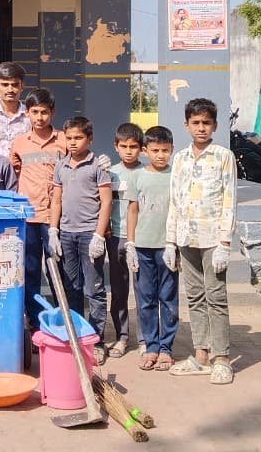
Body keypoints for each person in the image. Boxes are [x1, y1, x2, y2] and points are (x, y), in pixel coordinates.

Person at [166, 99, 237, 384]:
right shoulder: (180, 158)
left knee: (216, 297)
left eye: (206, 123)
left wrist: (225, 243)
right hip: (186, 237)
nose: (201, 128)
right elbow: (175, 200)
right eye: (195, 123)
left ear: (215, 126)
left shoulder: (223, 156)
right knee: (195, 297)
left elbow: (230, 199)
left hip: (212, 239)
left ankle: (222, 359)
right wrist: (170, 241)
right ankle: (201, 355)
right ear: (186, 125)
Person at [49, 116, 113, 365]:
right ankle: (76, 335)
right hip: (66, 234)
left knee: (94, 289)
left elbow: (106, 202)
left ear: (90, 139)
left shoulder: (98, 165)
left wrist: (99, 234)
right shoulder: (61, 166)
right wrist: (53, 230)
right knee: (71, 287)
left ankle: (96, 340)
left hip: (89, 234)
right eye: (69, 138)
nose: (73, 142)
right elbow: (56, 200)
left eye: (78, 137)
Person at [9, 87, 66, 329]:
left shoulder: (64, 141)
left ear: (52, 112)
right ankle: (35, 322)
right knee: (30, 270)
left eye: (44, 112)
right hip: (29, 217)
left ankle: (65, 319)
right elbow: (15, 173)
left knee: (58, 270)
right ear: (27, 113)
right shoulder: (19, 143)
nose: (39, 117)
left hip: (56, 217)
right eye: (34, 112)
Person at [125, 125, 178, 372]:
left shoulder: (176, 175)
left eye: (165, 150)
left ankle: (166, 348)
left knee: (168, 298)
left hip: (167, 246)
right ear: (145, 151)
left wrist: (173, 243)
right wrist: (130, 243)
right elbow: (132, 210)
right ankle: (151, 346)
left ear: (172, 150)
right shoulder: (137, 177)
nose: (160, 155)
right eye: (155, 150)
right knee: (145, 299)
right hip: (142, 247)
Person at [104, 122, 144, 358]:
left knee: (142, 291)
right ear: (116, 146)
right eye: (124, 146)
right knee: (119, 290)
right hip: (115, 238)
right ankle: (122, 336)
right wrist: (105, 228)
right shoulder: (110, 173)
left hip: (141, 240)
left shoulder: (146, 173)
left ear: (141, 148)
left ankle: (145, 339)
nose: (129, 151)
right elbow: (103, 203)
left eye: (134, 146)